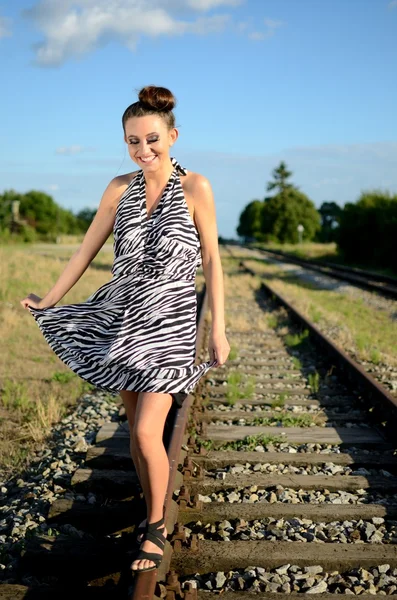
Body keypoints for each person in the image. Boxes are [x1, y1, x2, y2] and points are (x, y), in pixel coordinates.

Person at [20, 84, 230, 572]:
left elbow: (214, 262)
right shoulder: (118, 189)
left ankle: (155, 529)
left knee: (142, 432)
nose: (143, 150)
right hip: (123, 319)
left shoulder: (196, 187)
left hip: (171, 323)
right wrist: (48, 300)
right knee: (139, 439)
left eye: (152, 139)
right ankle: (151, 511)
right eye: (133, 141)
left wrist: (218, 328)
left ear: (173, 136)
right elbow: (85, 250)